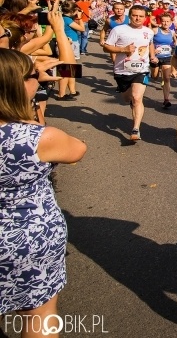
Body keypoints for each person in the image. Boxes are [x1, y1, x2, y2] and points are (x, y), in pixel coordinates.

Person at [0, 49, 87, 334]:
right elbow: (77, 150)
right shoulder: (37, 138)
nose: (38, 81)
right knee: (40, 315)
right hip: (28, 236)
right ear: (18, 85)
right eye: (33, 77)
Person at [102, 5, 157, 142]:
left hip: (141, 69)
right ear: (130, 16)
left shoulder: (149, 31)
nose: (137, 18)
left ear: (145, 18)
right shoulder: (118, 30)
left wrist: (152, 56)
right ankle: (131, 100)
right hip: (122, 70)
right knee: (128, 98)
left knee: (137, 97)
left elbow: (149, 43)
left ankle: (136, 129)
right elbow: (106, 47)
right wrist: (123, 49)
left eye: (141, 16)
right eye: (134, 15)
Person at [152, 13, 177, 109]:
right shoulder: (155, 30)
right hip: (155, 57)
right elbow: (148, 42)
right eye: (163, 21)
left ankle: (166, 100)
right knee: (155, 76)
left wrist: (176, 45)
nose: (165, 23)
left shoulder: (172, 32)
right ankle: (155, 72)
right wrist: (152, 51)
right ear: (160, 21)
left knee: (167, 78)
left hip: (167, 57)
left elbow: (175, 41)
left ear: (171, 22)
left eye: (167, 21)